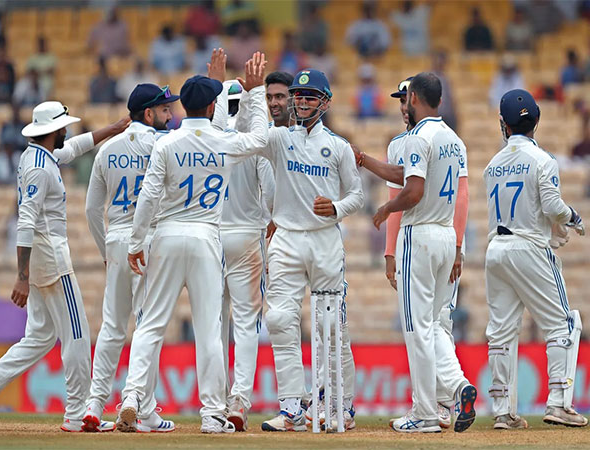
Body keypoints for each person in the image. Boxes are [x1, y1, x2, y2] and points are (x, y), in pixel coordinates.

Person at [118, 50, 269, 434]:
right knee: (209, 329)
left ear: (184, 104)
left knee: (151, 324)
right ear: (214, 104)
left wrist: (137, 242)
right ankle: (212, 413)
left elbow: (149, 197)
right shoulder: (223, 141)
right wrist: (252, 93)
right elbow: (259, 137)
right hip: (205, 238)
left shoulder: (166, 143)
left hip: (167, 235)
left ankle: (132, 397)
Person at [0, 101, 129, 432]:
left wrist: (111, 129)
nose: (67, 130)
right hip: (50, 257)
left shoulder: (38, 156)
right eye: (63, 126)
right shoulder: (40, 167)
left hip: (43, 255)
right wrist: (22, 278)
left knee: (39, 337)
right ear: (53, 130)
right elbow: (26, 221)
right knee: (77, 335)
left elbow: (74, 148)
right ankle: (77, 411)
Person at [246, 69, 362, 432]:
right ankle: (293, 407)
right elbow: (251, 139)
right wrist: (253, 93)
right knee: (280, 320)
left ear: (325, 102)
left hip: (325, 240)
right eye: (298, 95)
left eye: (310, 96)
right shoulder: (280, 138)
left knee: (332, 326)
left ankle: (339, 405)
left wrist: (337, 208)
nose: (301, 101)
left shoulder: (339, 146)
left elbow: (356, 194)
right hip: (286, 239)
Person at [354, 75, 471, 431]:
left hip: (418, 235)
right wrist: (365, 160)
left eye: (406, 98)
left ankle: (424, 412)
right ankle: (456, 388)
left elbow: (413, 190)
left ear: (415, 97)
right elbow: (405, 174)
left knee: (416, 328)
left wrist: (387, 210)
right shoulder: (453, 139)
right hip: (444, 235)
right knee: (432, 325)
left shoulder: (418, 139)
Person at [484, 89, 588, 429]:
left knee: (501, 332)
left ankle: (502, 411)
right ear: (537, 122)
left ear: (503, 124)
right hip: (529, 249)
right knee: (565, 324)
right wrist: (573, 218)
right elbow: (552, 206)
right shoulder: (543, 160)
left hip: (496, 250)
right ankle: (559, 402)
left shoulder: (492, 165)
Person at [83, 83, 180, 433]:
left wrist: (104, 249)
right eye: (165, 110)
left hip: (116, 239)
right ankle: (141, 406)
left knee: (112, 325)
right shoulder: (165, 146)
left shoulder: (107, 149)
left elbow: (92, 208)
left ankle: (94, 405)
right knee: (148, 327)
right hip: (149, 242)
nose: (171, 116)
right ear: (149, 113)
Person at [216, 79, 275, 431]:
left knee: (214, 324)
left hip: (212, 236)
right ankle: (239, 399)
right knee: (247, 324)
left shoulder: (210, 135)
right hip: (247, 236)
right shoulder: (256, 140)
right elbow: (269, 193)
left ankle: (216, 401)